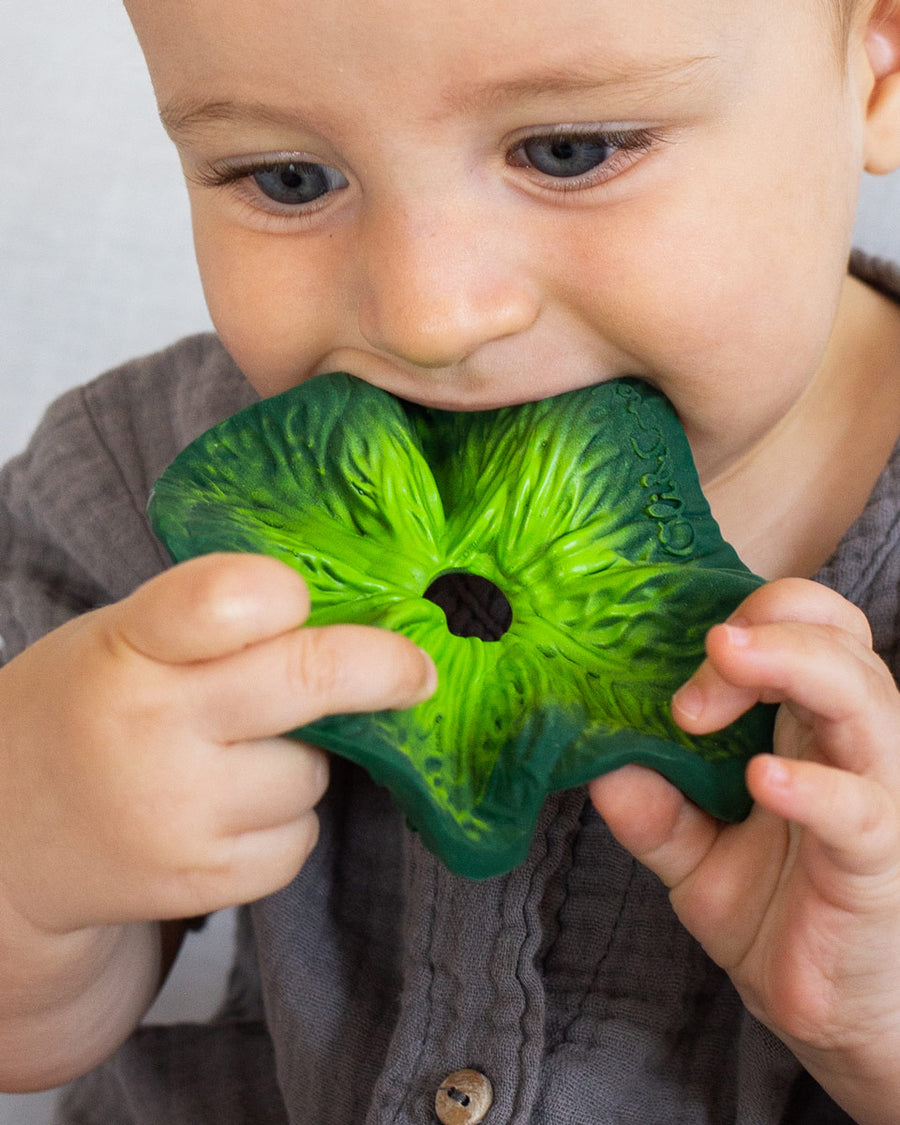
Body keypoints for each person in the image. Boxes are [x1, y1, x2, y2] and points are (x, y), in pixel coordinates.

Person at [2, 0, 900, 1120]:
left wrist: (879, 1031)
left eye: (569, 152)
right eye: (287, 178)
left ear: (877, 65)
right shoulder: (139, 487)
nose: (429, 317)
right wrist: (31, 841)